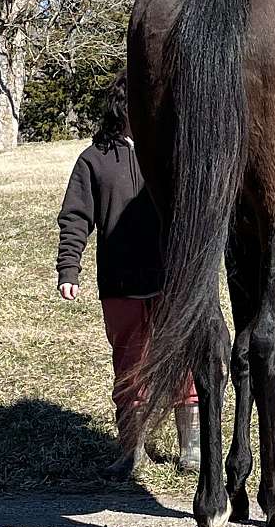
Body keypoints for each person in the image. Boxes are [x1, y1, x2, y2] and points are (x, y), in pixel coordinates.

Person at [56, 70, 200, 478]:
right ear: (124, 106)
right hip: (120, 282)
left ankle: (192, 451)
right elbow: (75, 218)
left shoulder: (173, 150)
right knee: (129, 366)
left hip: (173, 281)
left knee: (184, 363)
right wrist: (69, 268)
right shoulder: (93, 161)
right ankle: (131, 449)